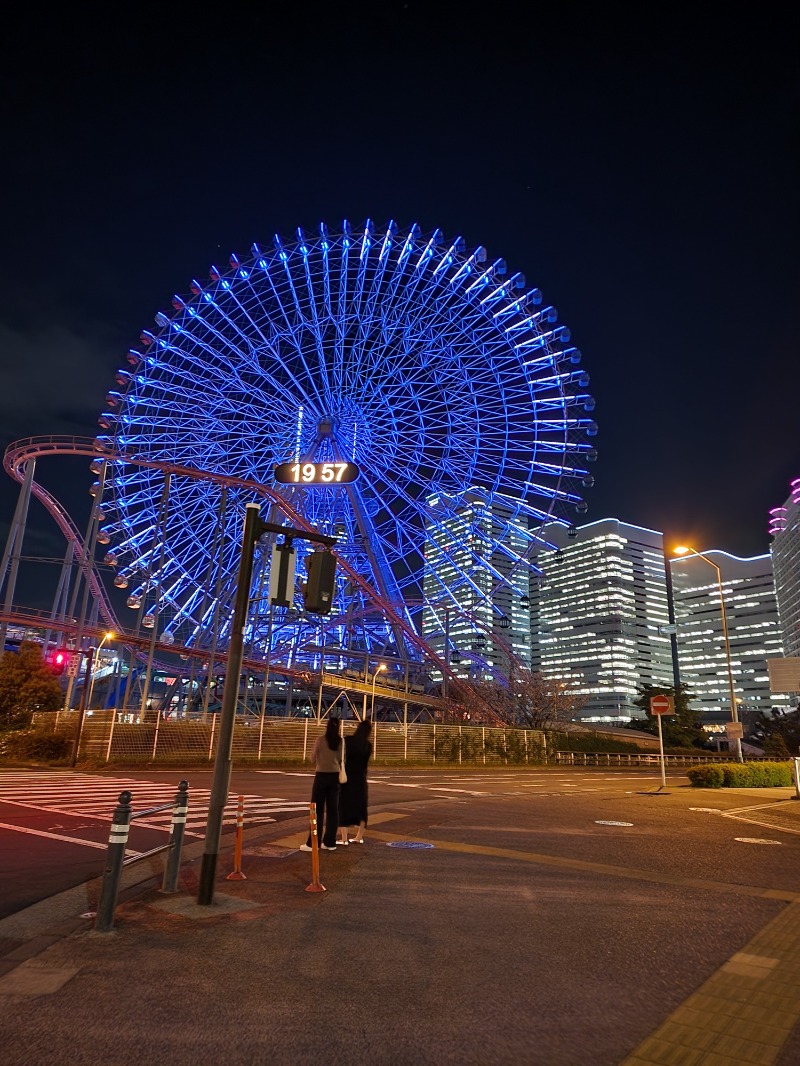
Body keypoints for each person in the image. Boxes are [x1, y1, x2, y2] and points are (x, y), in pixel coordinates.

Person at [301, 717, 344, 852]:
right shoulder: (341, 741)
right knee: (333, 811)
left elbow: (313, 758)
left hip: (321, 777)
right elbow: (343, 759)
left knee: (317, 810)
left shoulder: (320, 740)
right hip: (335, 777)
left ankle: (313, 843)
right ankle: (330, 842)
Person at [337, 718, 373, 845]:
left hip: (347, 779)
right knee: (361, 809)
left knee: (343, 806)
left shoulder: (347, 740)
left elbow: (341, 757)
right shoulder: (367, 745)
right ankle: (358, 837)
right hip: (361, 780)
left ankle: (344, 838)